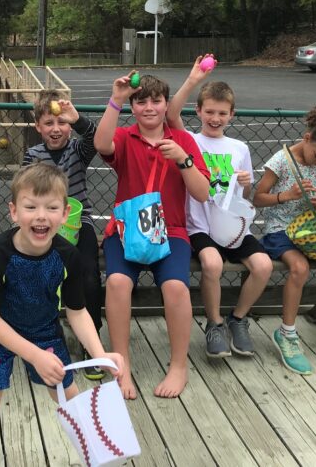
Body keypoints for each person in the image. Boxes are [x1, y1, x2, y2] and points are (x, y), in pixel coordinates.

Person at [0, 163, 124, 467]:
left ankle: (101, 460)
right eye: (31, 207)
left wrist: (101, 354)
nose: (41, 215)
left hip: (44, 334)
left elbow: (77, 311)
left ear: (65, 212)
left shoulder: (68, 254)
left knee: (74, 405)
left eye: (51, 207)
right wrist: (35, 356)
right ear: (14, 212)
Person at [94, 72, 210, 399]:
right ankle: (122, 364)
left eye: (156, 101)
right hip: (127, 229)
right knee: (117, 282)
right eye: (140, 101)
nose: (149, 107)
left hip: (170, 231)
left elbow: (202, 194)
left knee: (175, 287)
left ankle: (178, 366)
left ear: (165, 105)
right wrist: (115, 98)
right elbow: (101, 144)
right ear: (132, 106)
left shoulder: (183, 141)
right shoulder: (125, 136)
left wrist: (184, 162)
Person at [166, 55, 273, 359]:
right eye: (209, 111)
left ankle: (237, 319)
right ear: (198, 111)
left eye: (222, 113)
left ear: (232, 115)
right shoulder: (190, 141)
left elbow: (247, 192)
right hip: (201, 225)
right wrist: (193, 80)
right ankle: (213, 323)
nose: (215, 117)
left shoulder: (239, 148)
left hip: (234, 226)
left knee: (263, 266)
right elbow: (172, 114)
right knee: (212, 264)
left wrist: (246, 181)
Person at [253, 103, 316, 375]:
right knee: (299, 268)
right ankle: (287, 333)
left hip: (314, 230)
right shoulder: (281, 160)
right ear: (307, 138)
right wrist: (288, 195)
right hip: (282, 228)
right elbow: (258, 198)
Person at [22, 90, 104, 380]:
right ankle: (44, 338)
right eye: (48, 123)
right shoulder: (33, 155)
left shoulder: (77, 150)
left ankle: (91, 341)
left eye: (61, 123)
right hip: (43, 225)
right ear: (38, 127)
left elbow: (96, 138)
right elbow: (26, 191)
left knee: (89, 274)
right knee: (36, 276)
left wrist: (78, 118)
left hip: (77, 222)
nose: (56, 129)